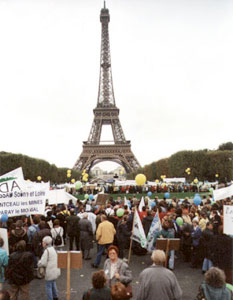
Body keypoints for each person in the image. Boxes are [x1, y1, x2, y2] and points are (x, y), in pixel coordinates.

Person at [37, 236, 61, 300]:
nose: (42, 243)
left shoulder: (46, 251)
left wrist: (38, 263)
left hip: (49, 272)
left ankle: (50, 298)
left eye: (43, 242)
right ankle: (55, 296)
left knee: (48, 286)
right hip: (55, 270)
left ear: (45, 243)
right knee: (53, 283)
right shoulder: (53, 249)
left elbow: (43, 263)